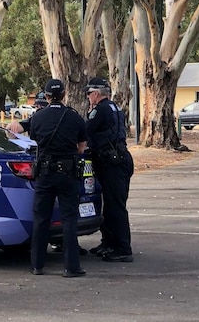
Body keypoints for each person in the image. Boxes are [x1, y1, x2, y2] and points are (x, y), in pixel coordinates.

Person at [11, 79, 88, 277]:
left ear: (46, 96)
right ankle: (71, 267)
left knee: (41, 219)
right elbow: (81, 148)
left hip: (44, 174)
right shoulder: (74, 117)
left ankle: (37, 265)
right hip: (68, 173)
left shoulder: (38, 117)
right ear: (64, 95)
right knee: (69, 219)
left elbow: (29, 137)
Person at [84, 77, 134, 263]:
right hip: (117, 159)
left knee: (115, 206)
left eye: (89, 94)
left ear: (96, 94)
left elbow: (85, 130)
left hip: (113, 161)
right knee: (110, 204)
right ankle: (109, 242)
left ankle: (122, 248)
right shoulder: (114, 107)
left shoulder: (100, 110)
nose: (88, 98)